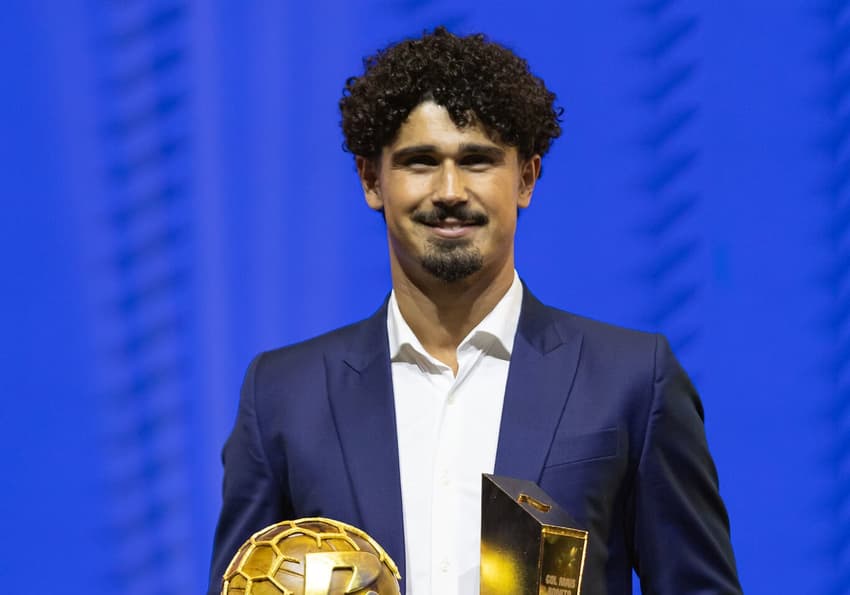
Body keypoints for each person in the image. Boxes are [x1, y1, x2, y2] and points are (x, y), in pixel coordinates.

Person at [208, 27, 742, 594]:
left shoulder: (633, 379)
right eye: (420, 161)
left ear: (527, 178)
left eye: (478, 161)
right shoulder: (283, 394)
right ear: (371, 180)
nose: (450, 190)